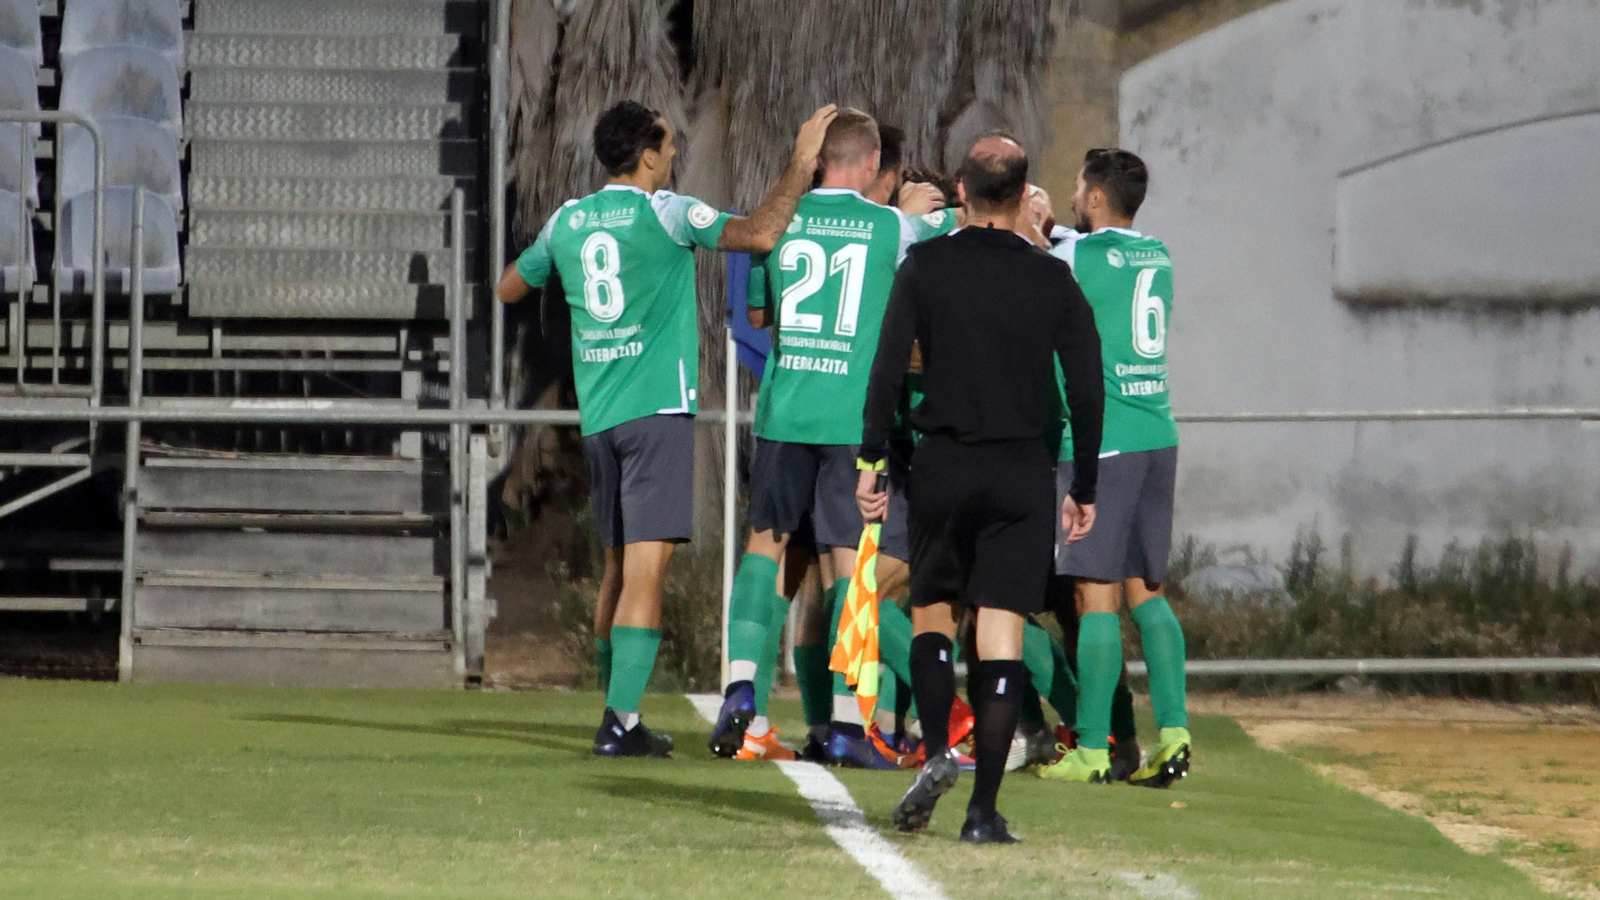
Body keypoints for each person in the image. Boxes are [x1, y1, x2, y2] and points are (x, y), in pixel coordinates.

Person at [498, 99, 837, 758]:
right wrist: (800, 165)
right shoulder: (671, 212)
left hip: (598, 418)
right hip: (655, 414)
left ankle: (614, 710)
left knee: (618, 571)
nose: (676, 154)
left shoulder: (568, 220)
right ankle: (619, 723)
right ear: (648, 154)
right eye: (670, 146)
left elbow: (511, 287)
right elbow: (761, 234)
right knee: (646, 576)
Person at [857, 134, 1105, 844]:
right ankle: (983, 810)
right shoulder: (1052, 276)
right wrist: (1082, 481)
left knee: (931, 613)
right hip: (1023, 471)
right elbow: (1088, 389)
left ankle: (938, 750)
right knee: (999, 633)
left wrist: (872, 460)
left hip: (945, 464)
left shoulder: (925, 265)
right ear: (1026, 196)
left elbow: (884, 372)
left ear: (961, 191)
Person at [707, 109, 953, 767]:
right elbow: (958, 230)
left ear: (819, 157)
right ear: (872, 164)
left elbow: (758, 313)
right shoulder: (890, 227)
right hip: (852, 423)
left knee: (765, 550)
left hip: (786, 411)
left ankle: (739, 686)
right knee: (852, 568)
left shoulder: (780, 220)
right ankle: (848, 726)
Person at [1037, 148, 1190, 788]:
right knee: (1145, 592)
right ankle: (1176, 735)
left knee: (1092, 596)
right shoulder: (1157, 254)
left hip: (1102, 440)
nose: (1072, 194)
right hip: (1158, 432)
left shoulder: (1074, 257)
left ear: (1096, 196)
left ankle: (1093, 750)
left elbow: (1039, 268)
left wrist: (1035, 229)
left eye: (1077, 186)